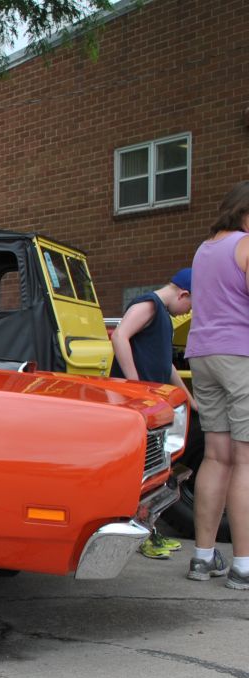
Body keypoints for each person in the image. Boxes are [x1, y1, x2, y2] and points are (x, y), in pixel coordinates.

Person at [184, 180, 249, 590]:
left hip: (202, 355)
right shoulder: (246, 245)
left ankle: (203, 557)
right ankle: (244, 565)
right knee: (246, 461)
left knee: (216, 456)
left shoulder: (204, 248)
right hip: (239, 355)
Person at [110, 268, 195, 558]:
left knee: (152, 472)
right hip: (137, 407)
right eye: (190, 306)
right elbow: (120, 336)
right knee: (138, 473)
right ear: (183, 294)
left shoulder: (164, 317)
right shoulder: (149, 305)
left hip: (151, 408)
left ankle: (148, 531)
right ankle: (137, 534)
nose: (188, 312)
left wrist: (189, 399)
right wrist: (135, 386)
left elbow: (166, 364)